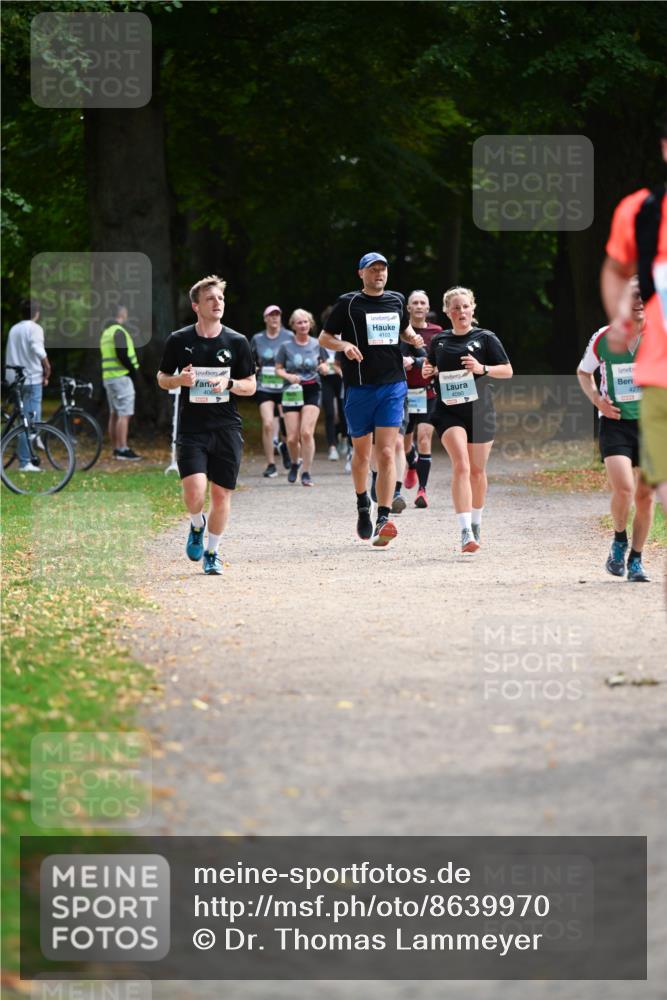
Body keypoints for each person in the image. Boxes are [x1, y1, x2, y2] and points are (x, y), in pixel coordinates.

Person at [601, 114, 667, 597]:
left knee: (648, 490)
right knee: (634, 488)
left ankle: (638, 557)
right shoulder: (642, 211)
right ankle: (622, 541)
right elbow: (614, 268)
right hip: (636, 404)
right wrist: (620, 320)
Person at [319, 251, 423, 546]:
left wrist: (412, 338)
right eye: (373, 269)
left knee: (387, 452)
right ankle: (363, 503)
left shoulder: (396, 300)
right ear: (361, 273)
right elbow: (325, 338)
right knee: (363, 454)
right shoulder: (348, 303)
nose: (379, 274)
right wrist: (344, 345)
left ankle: (383, 517)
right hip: (360, 387)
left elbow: (403, 330)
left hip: (392, 385)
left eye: (382, 269)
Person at [157, 275, 256, 575]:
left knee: (221, 494)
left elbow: (251, 385)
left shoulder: (237, 342)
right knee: (195, 492)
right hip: (192, 428)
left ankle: (212, 552)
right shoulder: (179, 340)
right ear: (196, 306)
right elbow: (162, 378)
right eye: (210, 299)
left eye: (221, 298)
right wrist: (179, 380)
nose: (217, 303)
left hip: (227, 427)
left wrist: (230, 384)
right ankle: (196, 524)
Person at [422, 286, 512, 553]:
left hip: (480, 411)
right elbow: (431, 367)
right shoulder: (439, 340)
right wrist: (429, 369)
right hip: (449, 411)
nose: (461, 311)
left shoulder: (486, 338)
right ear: (447, 311)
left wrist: (482, 368)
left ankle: (476, 523)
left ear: (472, 308)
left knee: (477, 471)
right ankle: (464, 532)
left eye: (465, 306)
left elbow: (507, 370)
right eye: (456, 308)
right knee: (461, 465)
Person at [577, 279, 654, 582]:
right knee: (624, 489)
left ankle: (636, 560)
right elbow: (584, 372)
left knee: (646, 497)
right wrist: (598, 401)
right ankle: (619, 539)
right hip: (615, 423)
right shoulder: (605, 337)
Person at [275, 309, 329, 486]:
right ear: (293, 326)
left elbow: (325, 364)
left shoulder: (317, 343)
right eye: (299, 322)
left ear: (310, 324)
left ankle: (306, 471)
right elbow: (278, 369)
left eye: (306, 321)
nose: (303, 325)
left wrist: (324, 368)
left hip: (312, 389)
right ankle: (294, 462)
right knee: (292, 438)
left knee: (306, 432)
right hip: (292, 391)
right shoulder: (285, 346)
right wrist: (288, 376)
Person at [402, 289, 442, 508]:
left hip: (428, 392)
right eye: (414, 303)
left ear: (427, 308)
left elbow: (440, 363)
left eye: (422, 303)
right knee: (404, 443)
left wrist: (416, 362)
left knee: (425, 439)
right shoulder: (399, 331)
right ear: (408, 308)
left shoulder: (437, 332)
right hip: (404, 393)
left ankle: (422, 490)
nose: (418, 306)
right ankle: (411, 464)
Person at [4, 298, 51, 471]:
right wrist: (47, 366)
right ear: (37, 313)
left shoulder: (14, 329)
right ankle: (25, 461)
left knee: (21, 419)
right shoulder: (34, 328)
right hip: (30, 378)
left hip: (13, 379)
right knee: (30, 422)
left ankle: (24, 448)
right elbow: (38, 349)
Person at [250, 305, 293, 478]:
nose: (274, 318)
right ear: (265, 318)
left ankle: (285, 447)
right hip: (265, 386)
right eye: (271, 315)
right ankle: (270, 464)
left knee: (286, 425)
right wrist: (254, 369)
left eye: (277, 315)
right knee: (268, 424)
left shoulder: (289, 336)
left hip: (285, 386)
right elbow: (251, 361)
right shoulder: (258, 338)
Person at [99, 305, 142, 460]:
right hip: (121, 377)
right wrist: (132, 371)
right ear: (123, 314)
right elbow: (122, 354)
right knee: (124, 414)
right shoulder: (119, 331)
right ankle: (123, 449)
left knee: (115, 414)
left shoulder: (106, 333)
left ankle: (116, 449)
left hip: (109, 377)